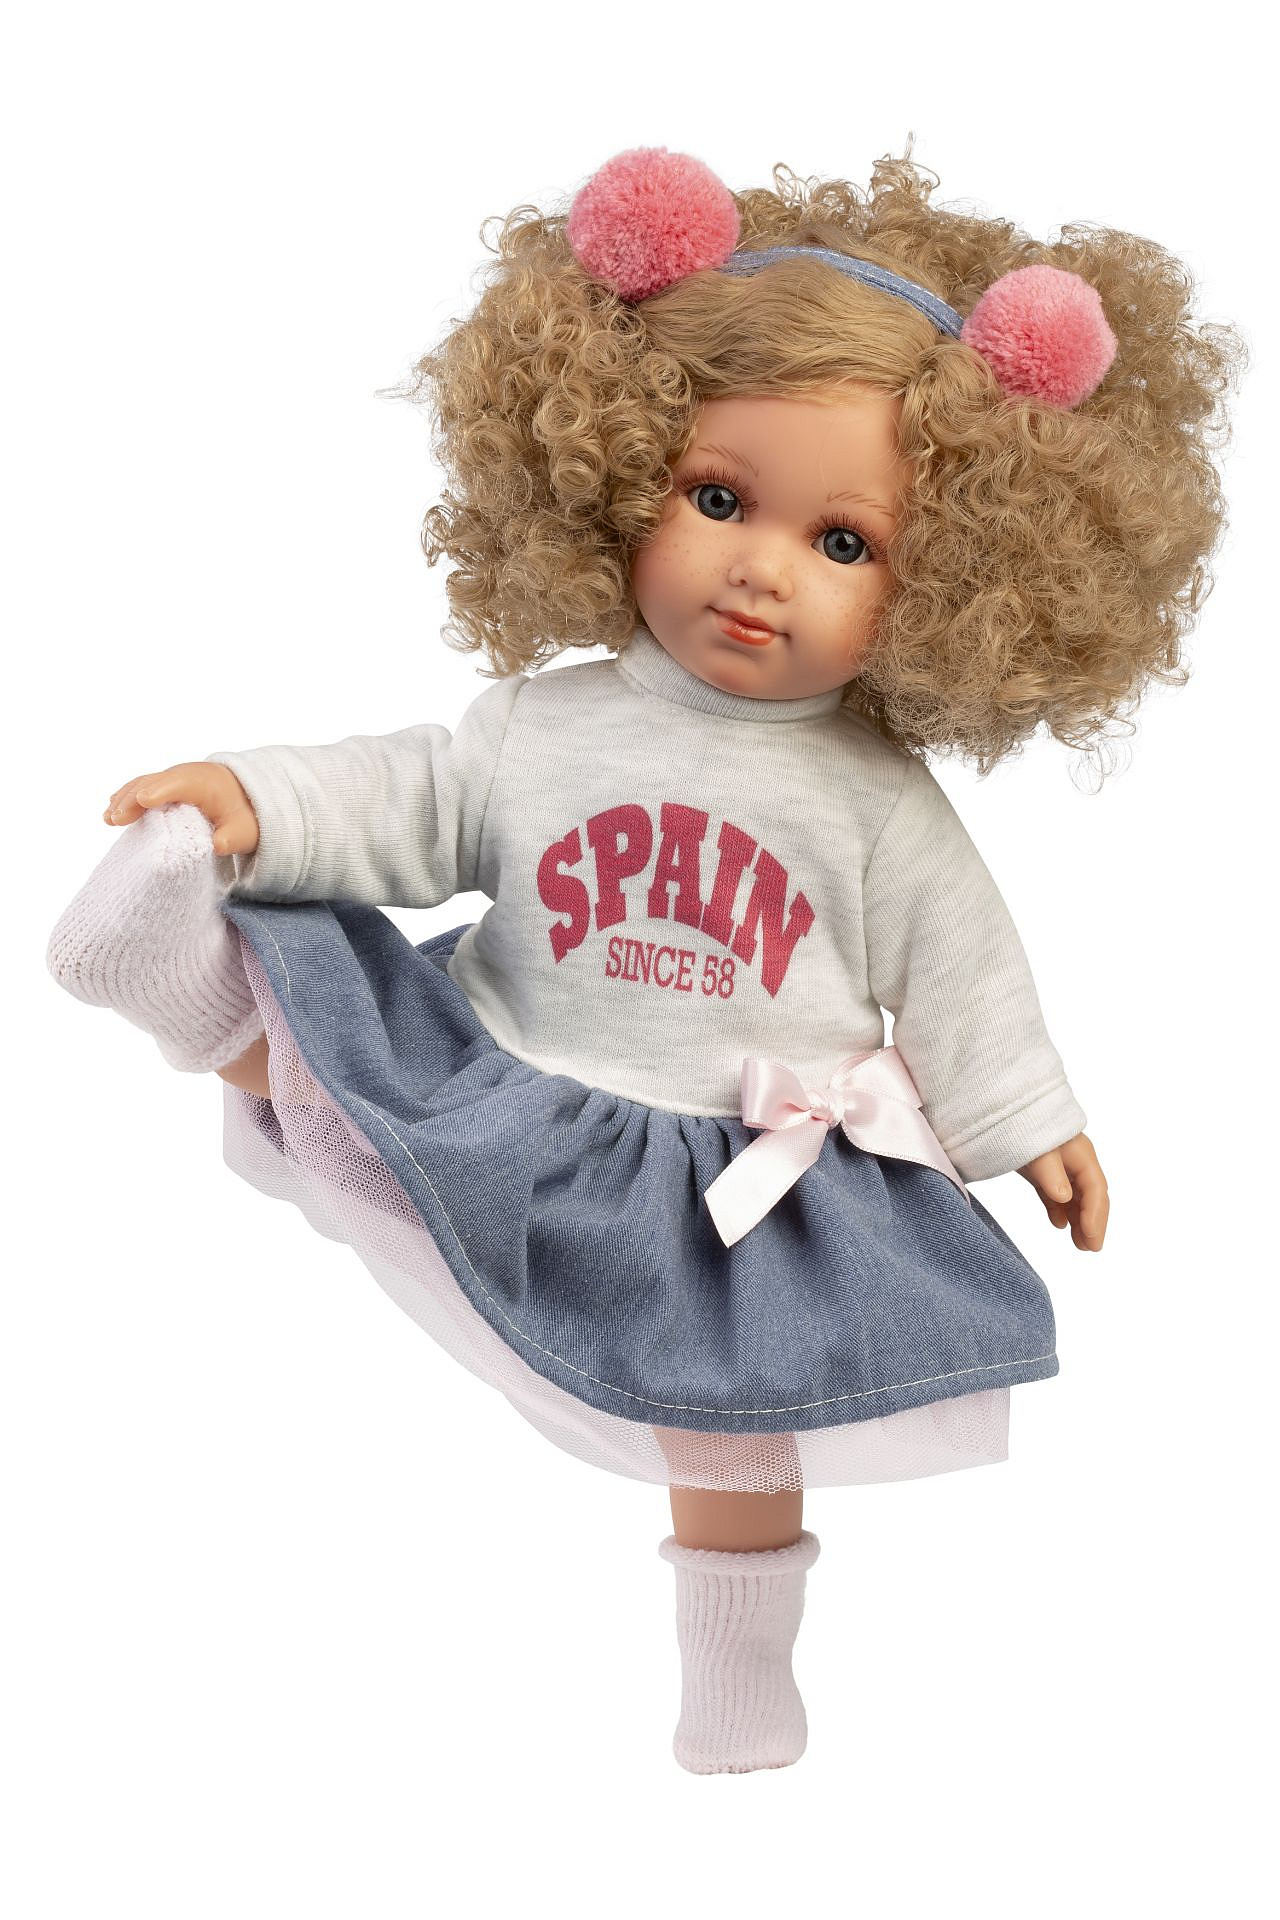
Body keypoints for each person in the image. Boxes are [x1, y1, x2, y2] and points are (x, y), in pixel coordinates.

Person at [47, 144, 1244, 1774]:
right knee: (364, 1097)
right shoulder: (547, 726)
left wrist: (1031, 1122)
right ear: (617, 475)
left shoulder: (877, 805)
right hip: (518, 1080)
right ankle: (188, 989)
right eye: (719, 499)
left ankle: (738, 1673)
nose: (763, 568)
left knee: (732, 1423)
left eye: (846, 543)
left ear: (952, 586)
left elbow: (966, 971)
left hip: (727, 1177)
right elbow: (408, 798)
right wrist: (261, 800)